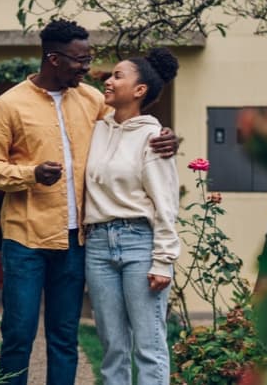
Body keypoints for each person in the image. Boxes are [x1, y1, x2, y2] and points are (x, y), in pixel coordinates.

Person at [0, 19, 178, 385]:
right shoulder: (8, 105)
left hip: (78, 241)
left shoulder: (91, 100)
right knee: (19, 335)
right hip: (25, 239)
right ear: (54, 58)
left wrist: (165, 135)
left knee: (64, 338)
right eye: (79, 60)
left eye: (89, 59)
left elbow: (129, 125)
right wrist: (31, 174)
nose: (88, 68)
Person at [82, 47, 181, 385]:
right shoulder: (98, 129)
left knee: (149, 345)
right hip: (97, 245)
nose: (108, 81)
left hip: (139, 243)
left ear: (139, 91)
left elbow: (166, 203)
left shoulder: (153, 138)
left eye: (117, 76)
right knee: (112, 347)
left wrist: (163, 259)